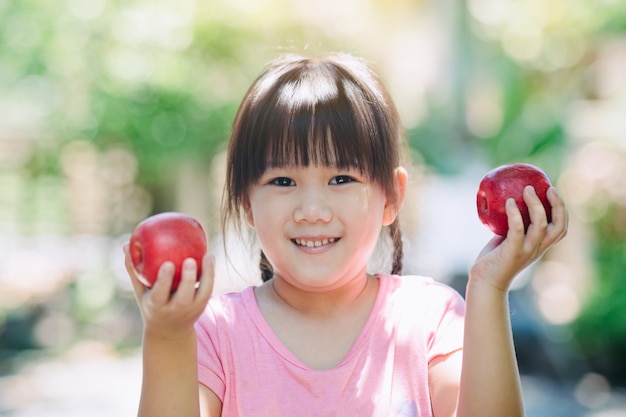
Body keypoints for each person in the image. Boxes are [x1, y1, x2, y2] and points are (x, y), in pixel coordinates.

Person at [124, 53, 568, 417]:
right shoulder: (215, 333)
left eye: (340, 179)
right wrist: (167, 335)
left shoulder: (429, 319)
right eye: (282, 181)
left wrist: (490, 288)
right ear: (246, 203)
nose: (312, 211)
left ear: (391, 197)